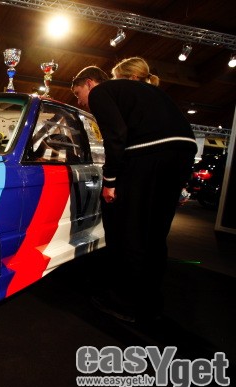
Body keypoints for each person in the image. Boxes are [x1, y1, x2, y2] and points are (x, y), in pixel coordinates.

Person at [71, 57, 197, 325]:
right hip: (182, 152)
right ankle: (150, 303)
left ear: (90, 83)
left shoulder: (102, 91)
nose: (80, 102)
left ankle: (125, 302)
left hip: (150, 155)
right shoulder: (145, 90)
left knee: (131, 231)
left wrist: (110, 180)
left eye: (78, 93)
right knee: (154, 234)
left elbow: (116, 136)